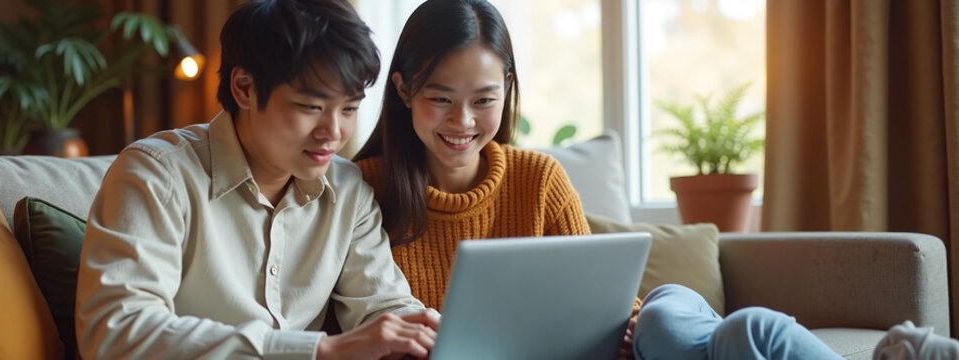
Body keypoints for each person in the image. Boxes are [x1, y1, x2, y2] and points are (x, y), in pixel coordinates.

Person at [352, 0, 842, 359]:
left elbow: (608, 301)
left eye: (483, 100)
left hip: (649, 324)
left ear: (506, 89)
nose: (462, 121)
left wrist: (625, 329)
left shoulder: (538, 178)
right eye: (441, 99)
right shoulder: (358, 193)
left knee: (670, 324)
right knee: (744, 337)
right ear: (403, 89)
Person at [74, 1, 439, 359]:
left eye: (349, 109)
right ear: (244, 88)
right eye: (312, 107)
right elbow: (116, 333)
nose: (333, 132)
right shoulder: (156, 175)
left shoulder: (347, 191)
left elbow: (383, 307)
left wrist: (420, 334)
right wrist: (319, 350)